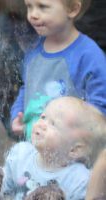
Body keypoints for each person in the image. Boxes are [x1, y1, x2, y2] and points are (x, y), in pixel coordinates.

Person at [11, 0, 106, 141]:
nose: (32, 15)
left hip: (69, 152)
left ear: (72, 9)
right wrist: (17, 114)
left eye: (42, 6)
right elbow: (27, 87)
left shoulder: (89, 55)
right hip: (34, 146)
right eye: (29, 7)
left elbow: (100, 108)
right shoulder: (33, 50)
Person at [0, 96, 106, 200]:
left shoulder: (78, 182)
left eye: (53, 124)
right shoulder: (20, 155)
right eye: (43, 117)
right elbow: (3, 193)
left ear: (74, 150)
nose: (41, 124)